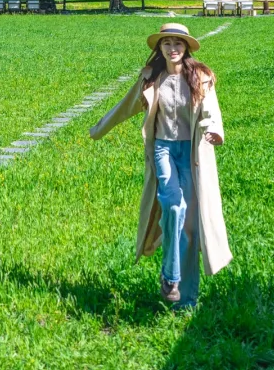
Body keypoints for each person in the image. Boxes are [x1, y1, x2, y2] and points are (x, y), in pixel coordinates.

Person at [89, 22, 231, 309]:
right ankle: (171, 276)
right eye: (166, 43)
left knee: (188, 228)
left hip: (192, 154)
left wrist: (214, 129)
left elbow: (210, 110)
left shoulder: (201, 77)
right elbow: (125, 105)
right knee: (174, 207)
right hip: (163, 150)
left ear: (187, 47)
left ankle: (186, 300)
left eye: (178, 43)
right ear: (160, 49)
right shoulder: (151, 78)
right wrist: (99, 129)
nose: (173, 48)